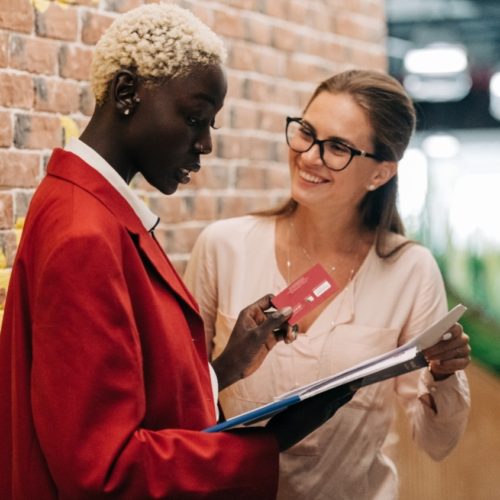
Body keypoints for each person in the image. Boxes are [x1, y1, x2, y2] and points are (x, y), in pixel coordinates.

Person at [0, 5, 356, 499]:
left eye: (210, 123)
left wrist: (227, 365)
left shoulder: (86, 207)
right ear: (127, 94)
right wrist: (272, 442)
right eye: (194, 119)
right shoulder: (84, 233)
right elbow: (104, 473)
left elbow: (134, 401)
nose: (205, 144)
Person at [185, 69, 472, 500]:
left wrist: (444, 373)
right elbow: (179, 398)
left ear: (380, 174)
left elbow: (436, 441)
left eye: (337, 147)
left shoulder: (409, 270)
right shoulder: (224, 247)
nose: (309, 156)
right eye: (306, 132)